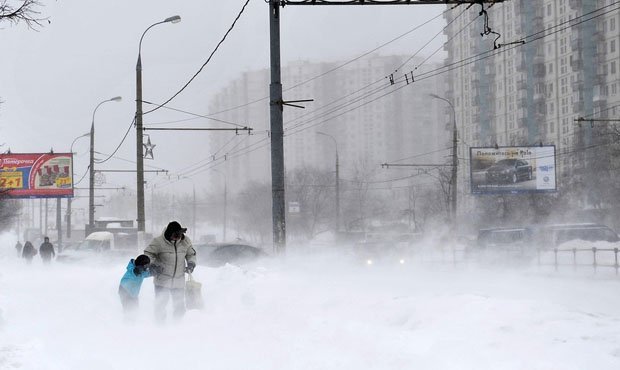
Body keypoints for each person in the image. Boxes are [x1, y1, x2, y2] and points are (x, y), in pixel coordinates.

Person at [144, 221, 196, 321]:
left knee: (179, 307)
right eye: (175, 235)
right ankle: (160, 328)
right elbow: (148, 254)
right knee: (160, 306)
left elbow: (191, 254)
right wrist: (153, 265)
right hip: (162, 281)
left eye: (179, 235)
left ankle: (178, 327)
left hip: (178, 281)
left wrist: (191, 263)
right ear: (169, 233)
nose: (178, 238)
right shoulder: (158, 242)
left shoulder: (186, 242)